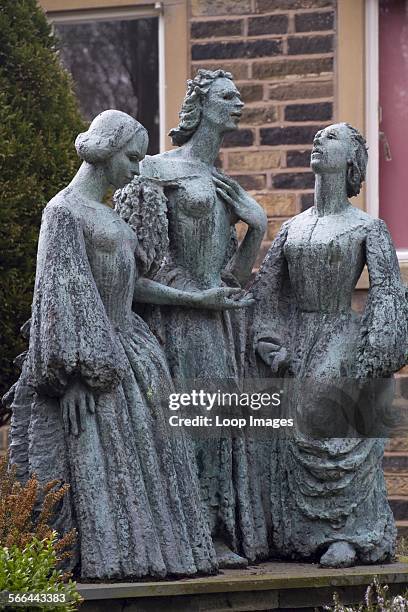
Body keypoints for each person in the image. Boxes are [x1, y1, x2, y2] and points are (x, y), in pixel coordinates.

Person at [6, 110, 251, 580]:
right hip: (96, 362)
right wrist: (72, 377)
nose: (137, 170)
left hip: (134, 354)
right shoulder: (63, 212)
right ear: (106, 151)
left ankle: (156, 556)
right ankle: (113, 562)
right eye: (132, 158)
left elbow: (131, 285)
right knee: (104, 469)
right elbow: (59, 297)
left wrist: (197, 298)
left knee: (153, 467)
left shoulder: (107, 214)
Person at [248, 123, 407, 567]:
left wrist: (374, 350)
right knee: (286, 433)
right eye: (317, 136)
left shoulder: (368, 228)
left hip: (340, 335)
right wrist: (271, 343)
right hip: (296, 339)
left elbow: (389, 294)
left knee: (332, 434)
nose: (318, 141)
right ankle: (294, 532)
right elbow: (267, 294)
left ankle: (347, 532)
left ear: (353, 161)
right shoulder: (292, 228)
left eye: (331, 138)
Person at [140, 69, 269, 566]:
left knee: (214, 425)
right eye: (227, 95)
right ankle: (183, 532)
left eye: (239, 95)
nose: (238, 102)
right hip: (172, 319)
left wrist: (256, 227)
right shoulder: (154, 170)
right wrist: (194, 297)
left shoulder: (227, 184)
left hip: (217, 321)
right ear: (199, 106)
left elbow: (233, 278)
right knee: (182, 425)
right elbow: (139, 265)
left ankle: (212, 531)